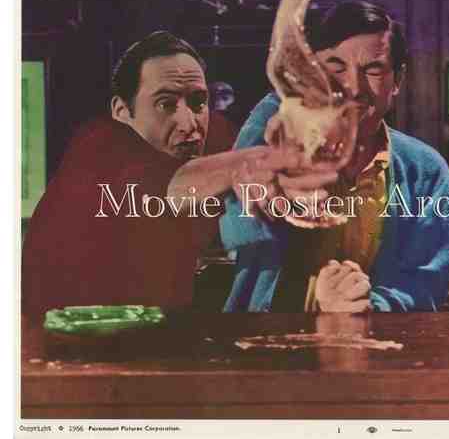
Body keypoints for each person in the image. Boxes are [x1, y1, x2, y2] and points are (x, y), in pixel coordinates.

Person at [22, 31, 300, 315]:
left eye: (198, 102)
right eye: (165, 104)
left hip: (158, 327)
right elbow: (164, 186)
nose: (188, 123)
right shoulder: (97, 145)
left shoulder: (214, 136)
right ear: (121, 111)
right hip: (60, 335)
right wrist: (271, 160)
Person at [219, 1, 449, 313]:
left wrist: (362, 303)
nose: (353, 87)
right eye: (336, 68)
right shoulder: (274, 132)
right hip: (266, 334)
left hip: (376, 335)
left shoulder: (425, 169)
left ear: (397, 80)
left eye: (373, 70)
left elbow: (425, 284)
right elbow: (238, 229)